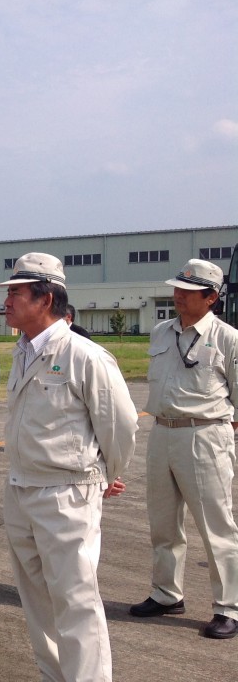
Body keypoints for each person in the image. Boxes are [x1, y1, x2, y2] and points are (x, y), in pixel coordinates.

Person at [0, 253, 137, 682]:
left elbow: (120, 426)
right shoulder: (22, 350)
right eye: (9, 291)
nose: (7, 300)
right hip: (22, 488)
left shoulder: (84, 355)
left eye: (17, 292)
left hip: (65, 493)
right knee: (36, 594)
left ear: (48, 298)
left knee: (76, 598)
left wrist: (105, 475)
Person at [129, 259, 238, 640]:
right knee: (162, 522)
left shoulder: (227, 338)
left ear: (211, 297)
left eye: (187, 291)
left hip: (205, 435)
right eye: (177, 288)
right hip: (162, 432)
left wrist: (223, 438)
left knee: (216, 526)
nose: (177, 295)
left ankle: (228, 607)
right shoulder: (161, 332)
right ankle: (166, 593)